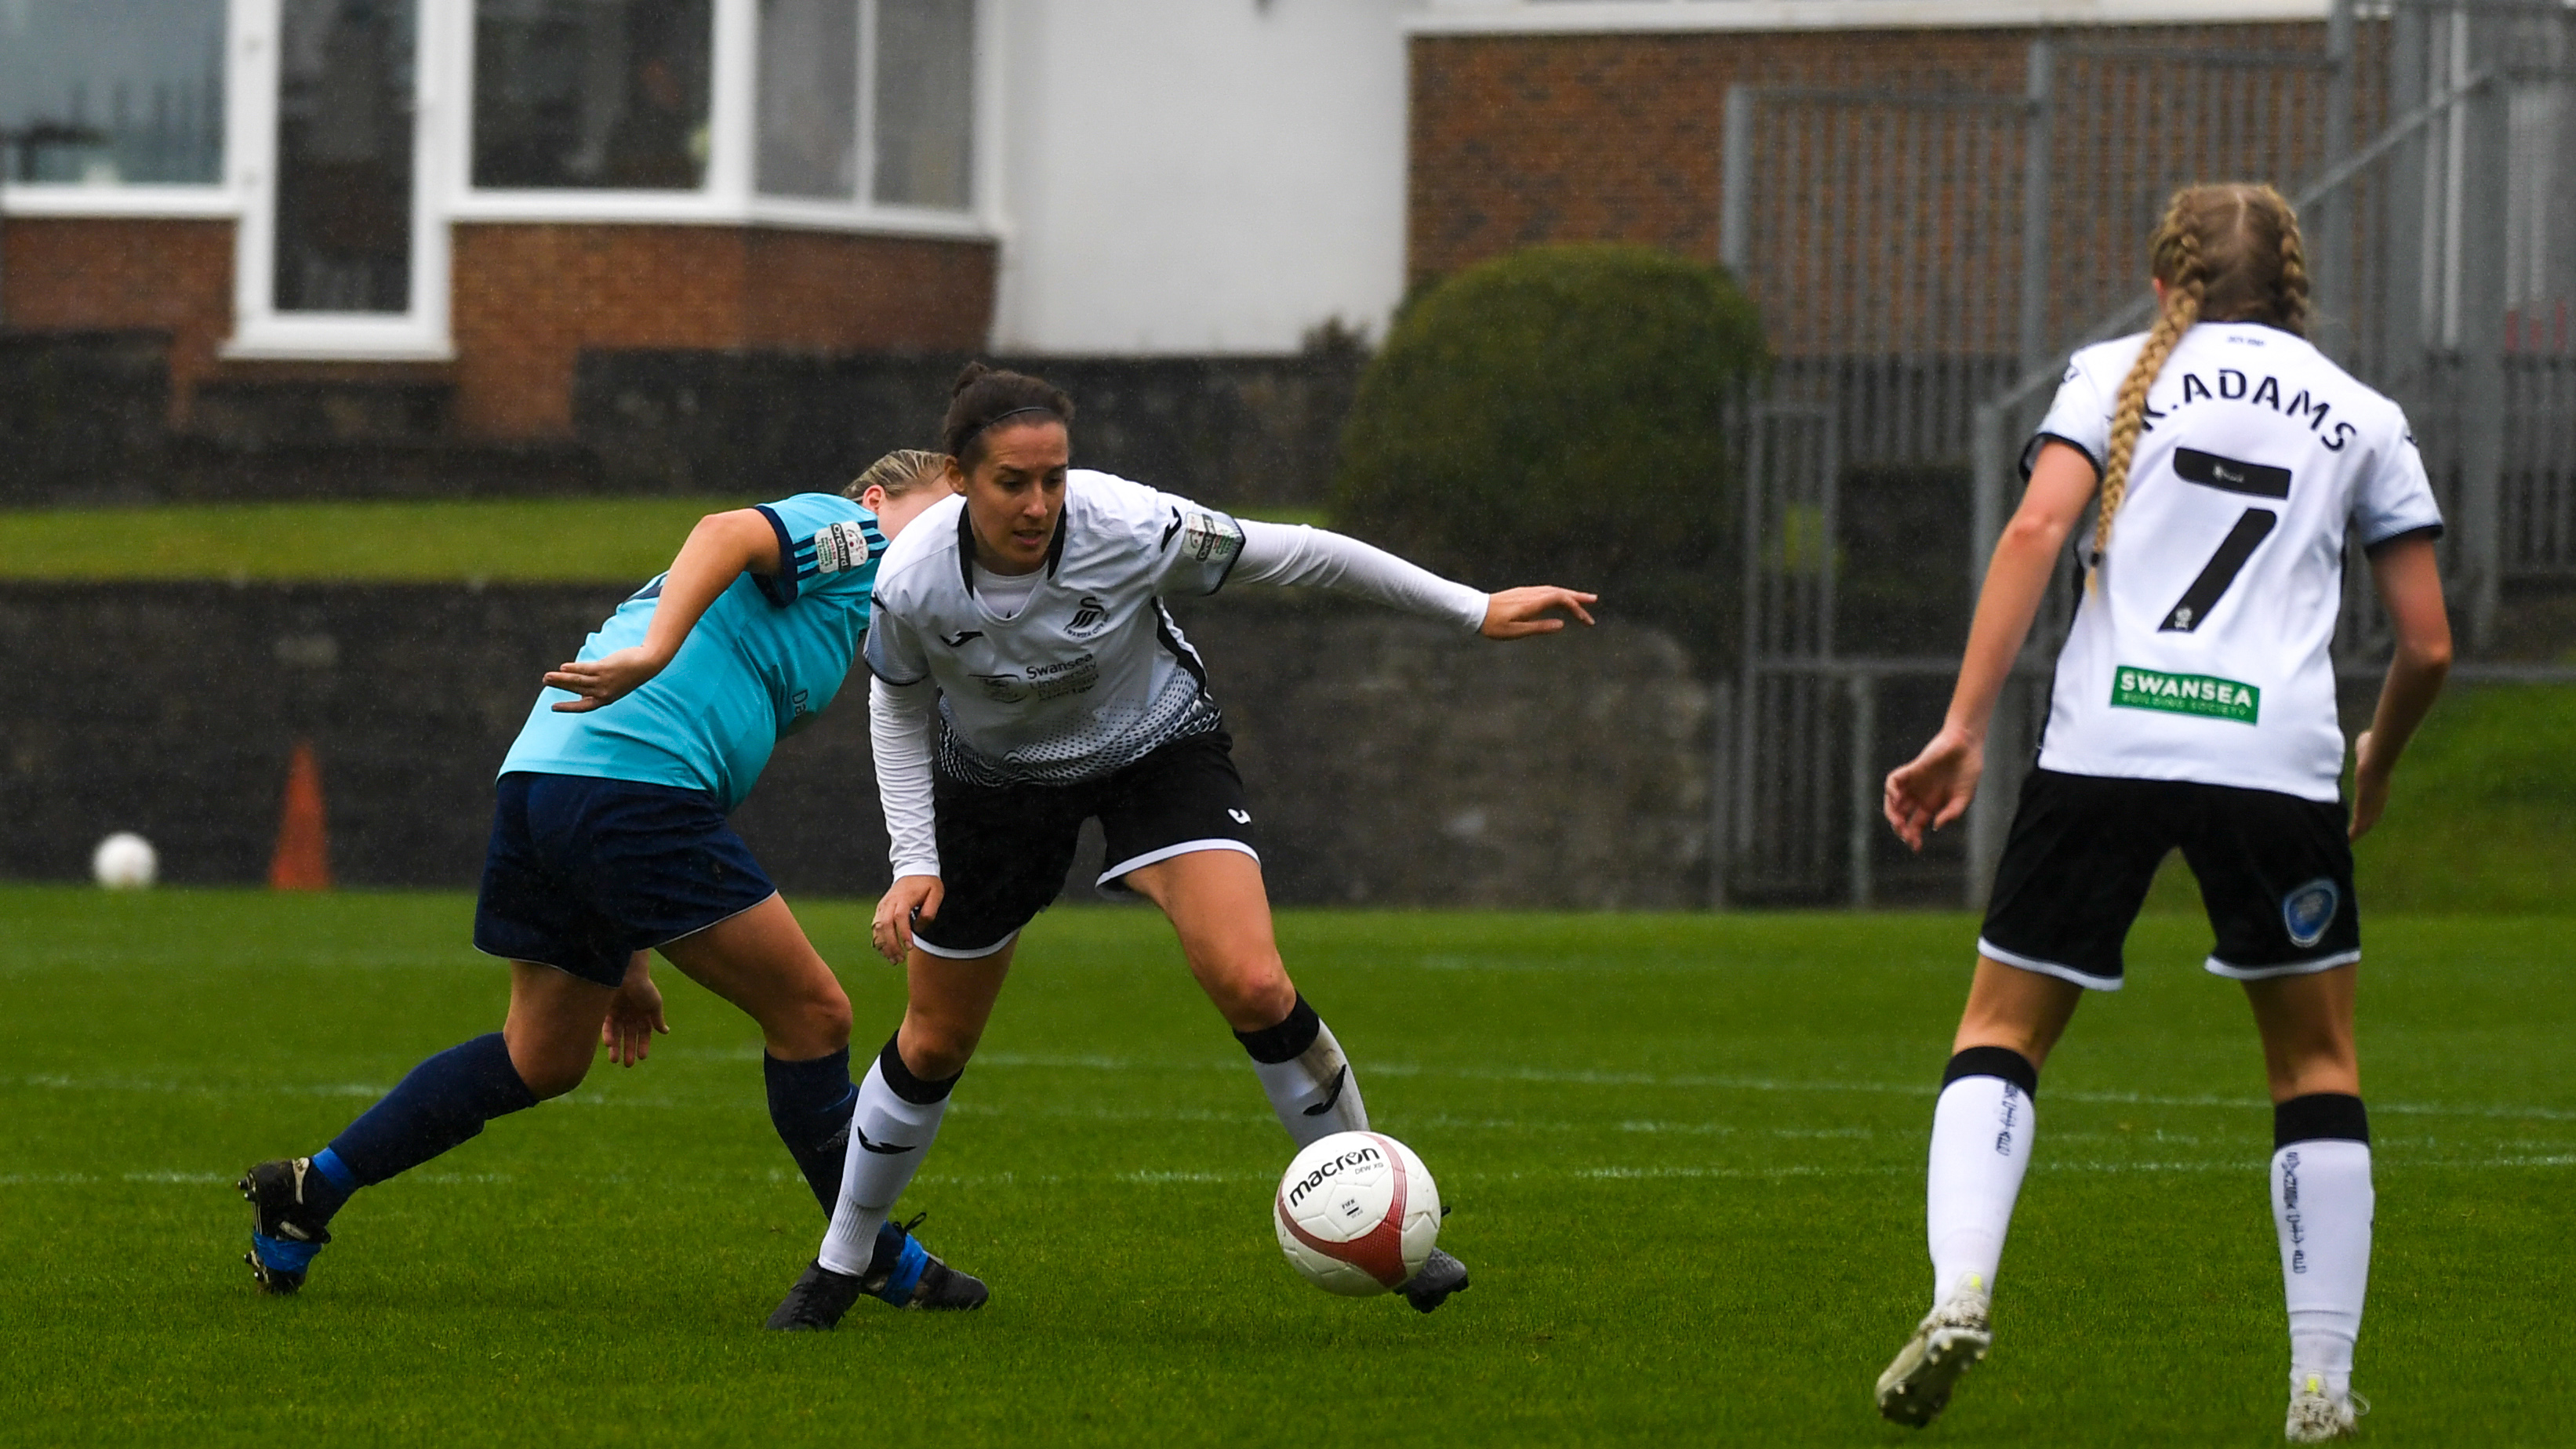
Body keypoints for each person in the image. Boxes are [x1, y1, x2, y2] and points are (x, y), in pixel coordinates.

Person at [763, 363, 1600, 1329]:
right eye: (1011, 483)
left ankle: (1388, 1225)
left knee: (1253, 983)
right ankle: (841, 1261)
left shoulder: (1130, 525)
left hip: (1155, 749)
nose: (1038, 505)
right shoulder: (911, 581)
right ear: (958, 477)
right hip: (994, 786)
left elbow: (1302, 555)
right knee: (936, 1039)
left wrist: (1471, 607)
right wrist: (915, 860)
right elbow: (898, 701)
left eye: (1054, 478)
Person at [1870, 184, 2451, 1443]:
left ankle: (1961, 1289)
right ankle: (2318, 1386)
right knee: (2313, 1065)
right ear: (2294, 287)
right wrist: (2381, 759)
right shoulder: (2363, 416)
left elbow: (2037, 524)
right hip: (2278, 763)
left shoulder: (2110, 375)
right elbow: (2429, 643)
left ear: (2163, 286)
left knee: (2004, 1031)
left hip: (2107, 745)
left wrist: (1963, 726)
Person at [238, 450, 957, 1298]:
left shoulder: (850, 623)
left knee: (540, 1057)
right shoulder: (859, 538)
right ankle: (868, 1254)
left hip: (555, 782)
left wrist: (631, 953)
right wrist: (656, 650)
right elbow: (725, 530)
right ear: (878, 499)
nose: (949, 538)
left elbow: (699, 723)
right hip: (626, 790)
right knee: (813, 1014)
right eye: (943, 511)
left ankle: (307, 1192)